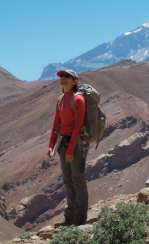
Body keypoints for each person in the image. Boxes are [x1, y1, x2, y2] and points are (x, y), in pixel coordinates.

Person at [47, 69, 88, 227]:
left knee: (77, 179)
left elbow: (78, 125)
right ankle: (69, 217)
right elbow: (55, 124)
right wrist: (51, 145)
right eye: (61, 76)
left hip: (76, 143)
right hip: (63, 143)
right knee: (67, 181)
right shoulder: (60, 99)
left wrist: (71, 148)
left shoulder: (78, 99)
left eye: (67, 77)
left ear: (74, 81)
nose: (63, 79)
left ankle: (80, 218)